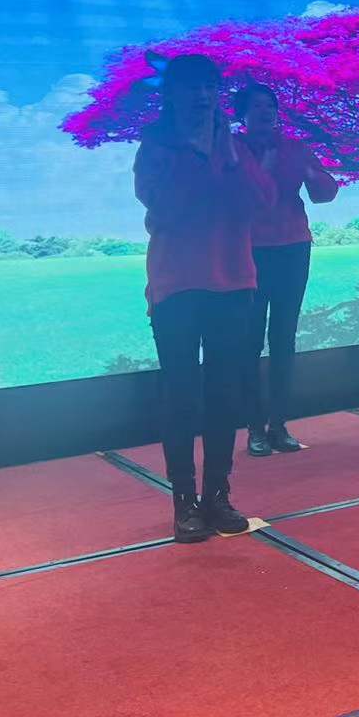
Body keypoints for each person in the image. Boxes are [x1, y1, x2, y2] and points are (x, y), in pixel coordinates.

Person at [133, 54, 273, 543]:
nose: (203, 95)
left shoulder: (233, 146)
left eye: (211, 86)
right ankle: (184, 501)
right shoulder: (156, 146)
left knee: (224, 393)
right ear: (171, 94)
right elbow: (168, 207)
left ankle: (217, 495)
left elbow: (261, 201)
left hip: (232, 282)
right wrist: (197, 156)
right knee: (181, 394)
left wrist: (229, 156)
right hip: (175, 284)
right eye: (192, 86)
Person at [234, 83, 340, 458]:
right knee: (249, 340)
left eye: (271, 105)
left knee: (284, 338)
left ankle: (278, 424)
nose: (266, 111)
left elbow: (325, 193)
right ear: (242, 114)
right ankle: (254, 427)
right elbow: (235, 197)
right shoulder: (233, 149)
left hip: (293, 248)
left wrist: (311, 172)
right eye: (257, 106)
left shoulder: (295, 147)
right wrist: (262, 169)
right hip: (248, 252)